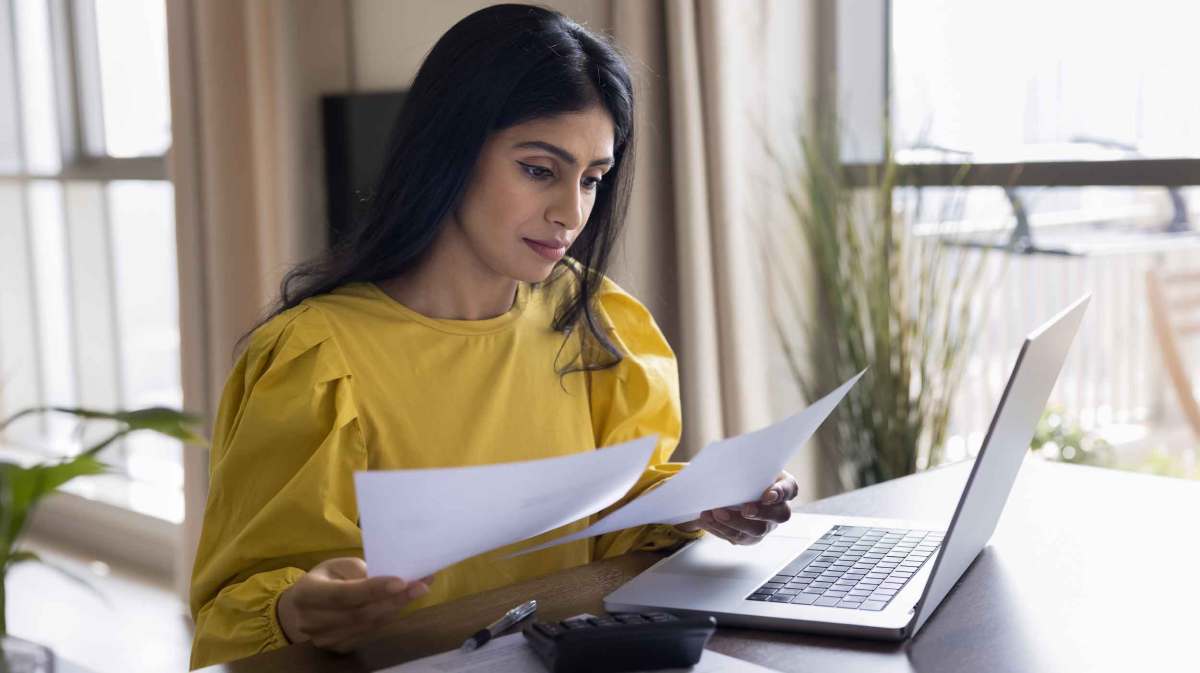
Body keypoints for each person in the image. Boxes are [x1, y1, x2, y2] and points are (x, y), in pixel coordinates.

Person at [187, 4, 799, 669]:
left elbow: (615, 520)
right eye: (540, 169)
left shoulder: (595, 320)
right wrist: (294, 607)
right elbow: (234, 607)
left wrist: (701, 502)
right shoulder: (318, 359)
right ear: (449, 149)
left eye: (592, 179)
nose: (571, 213)